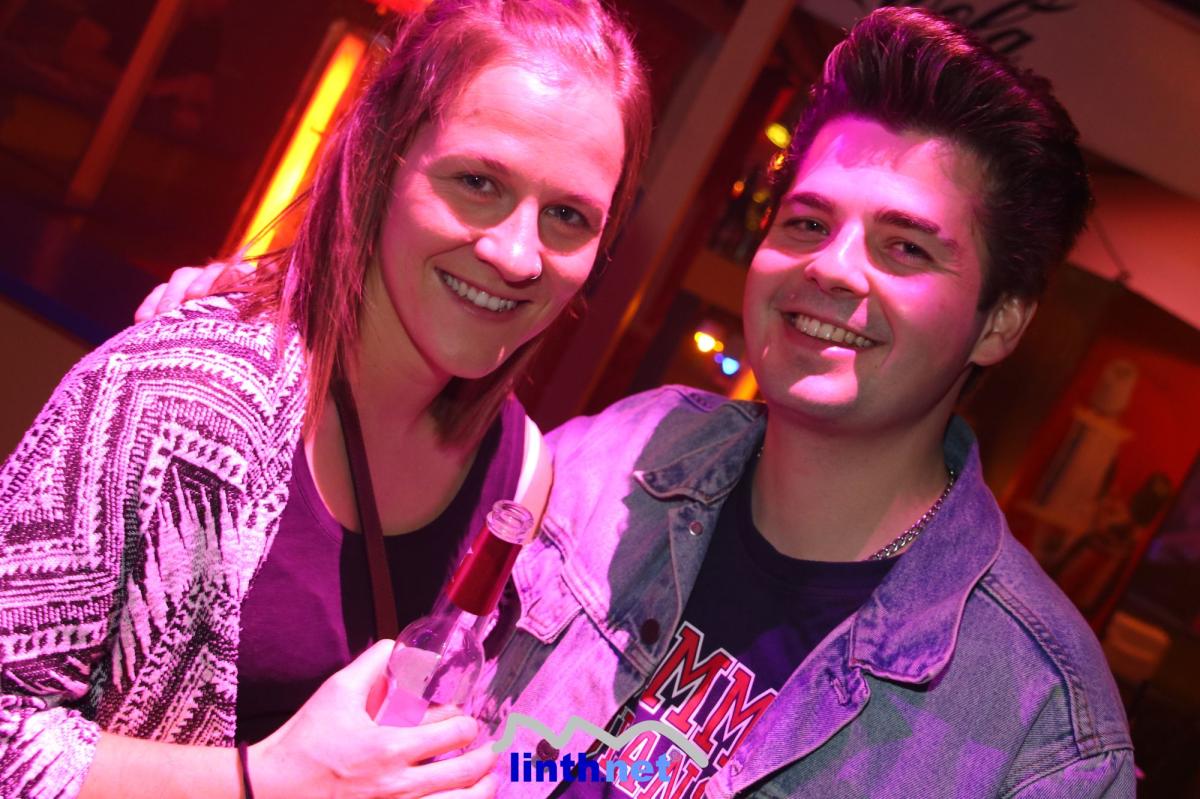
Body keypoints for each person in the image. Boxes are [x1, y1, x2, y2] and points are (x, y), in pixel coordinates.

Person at [468, 8, 1132, 798]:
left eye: (906, 248)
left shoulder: (1040, 729)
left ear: (999, 323)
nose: (832, 268)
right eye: (809, 222)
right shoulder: (619, 455)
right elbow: (444, 696)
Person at [0, 1, 649, 797]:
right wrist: (261, 780)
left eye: (568, 216)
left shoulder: (520, 477)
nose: (518, 255)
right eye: (478, 182)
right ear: (381, 156)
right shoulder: (177, 396)